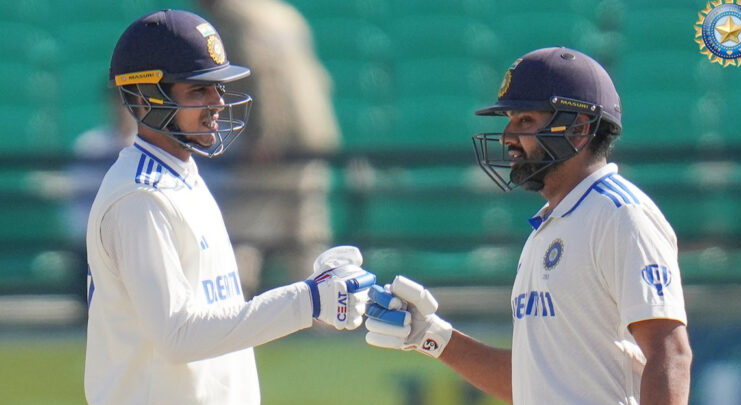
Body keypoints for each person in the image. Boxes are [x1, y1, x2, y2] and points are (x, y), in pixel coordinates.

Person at [364, 47, 693, 404]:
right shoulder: (548, 227)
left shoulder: (620, 214)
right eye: (510, 120)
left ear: (579, 129)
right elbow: (530, 382)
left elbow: (670, 354)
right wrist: (430, 335)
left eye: (525, 121)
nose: (507, 137)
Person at [84, 10, 374, 405]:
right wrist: (308, 301)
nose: (218, 102)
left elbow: (217, 320)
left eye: (217, 88)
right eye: (198, 91)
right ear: (144, 96)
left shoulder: (182, 176)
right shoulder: (141, 198)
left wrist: (317, 296)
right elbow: (178, 336)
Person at [199, 0, 341, 286]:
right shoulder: (282, 13)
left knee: (242, 236)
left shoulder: (235, 17)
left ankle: (227, 315)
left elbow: (262, 74)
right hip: (312, 133)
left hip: (277, 142)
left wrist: (267, 135)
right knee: (307, 239)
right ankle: (326, 316)